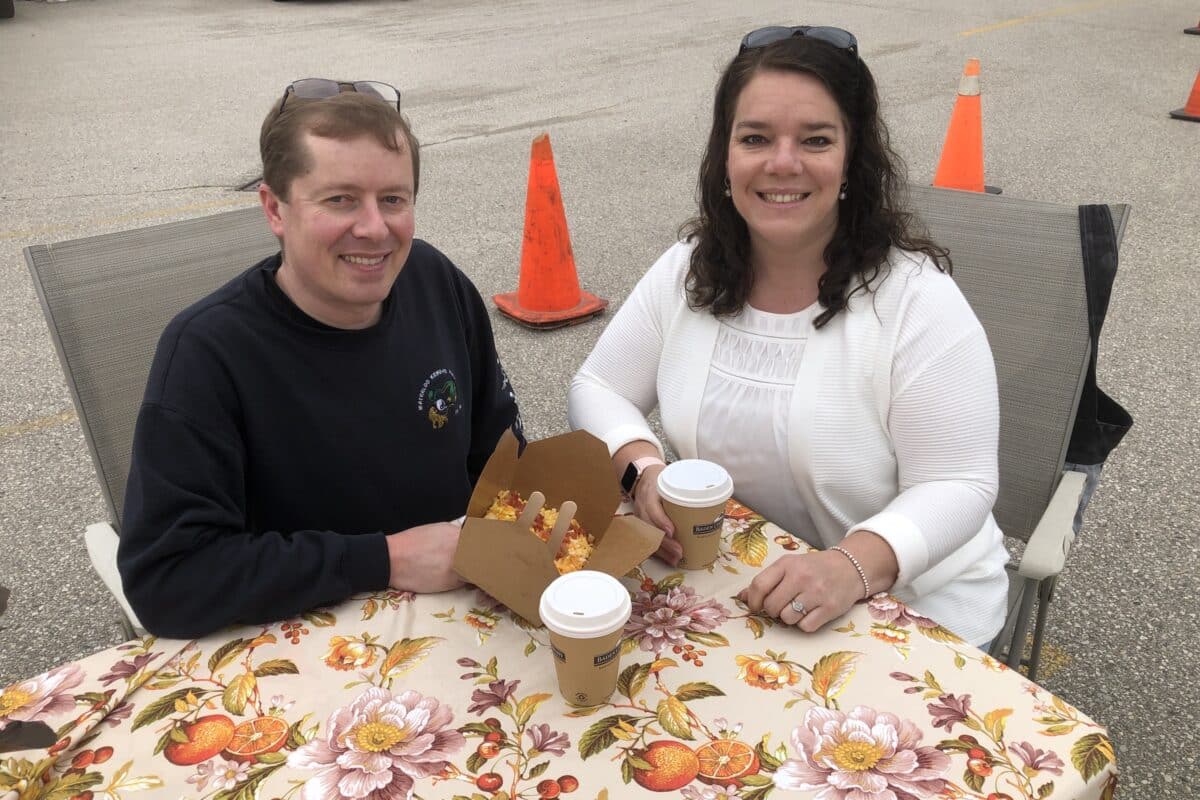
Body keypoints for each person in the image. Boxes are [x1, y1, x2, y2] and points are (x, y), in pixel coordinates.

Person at [568, 27, 1008, 647]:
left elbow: (959, 483)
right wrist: (641, 471)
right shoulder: (688, 269)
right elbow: (599, 385)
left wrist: (850, 566)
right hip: (742, 583)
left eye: (815, 140)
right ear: (725, 158)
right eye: (755, 138)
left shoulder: (917, 300)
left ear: (852, 160)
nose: (782, 162)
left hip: (913, 605)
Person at [118, 79, 521, 638]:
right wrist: (384, 559)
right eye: (340, 200)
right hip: (310, 640)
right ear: (274, 209)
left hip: (465, 617)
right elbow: (167, 580)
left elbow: (503, 454)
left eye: (393, 199)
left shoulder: (436, 282)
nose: (375, 228)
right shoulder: (207, 354)